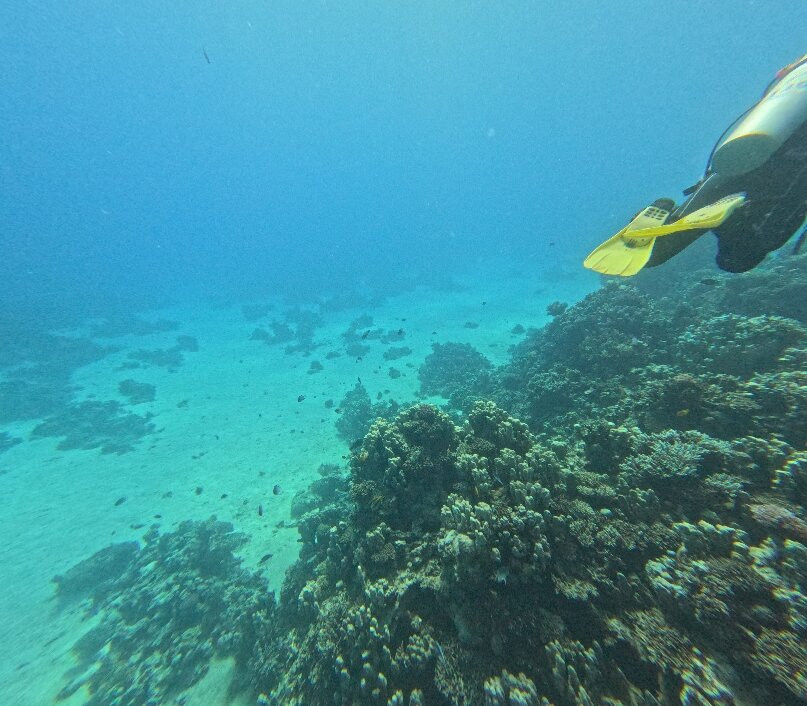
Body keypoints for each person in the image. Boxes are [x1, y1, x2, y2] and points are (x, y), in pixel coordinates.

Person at [584, 53, 807, 277]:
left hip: (743, 154)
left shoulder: (798, 68)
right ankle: (730, 222)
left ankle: (662, 217)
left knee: (656, 253)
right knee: (740, 258)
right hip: (794, 167)